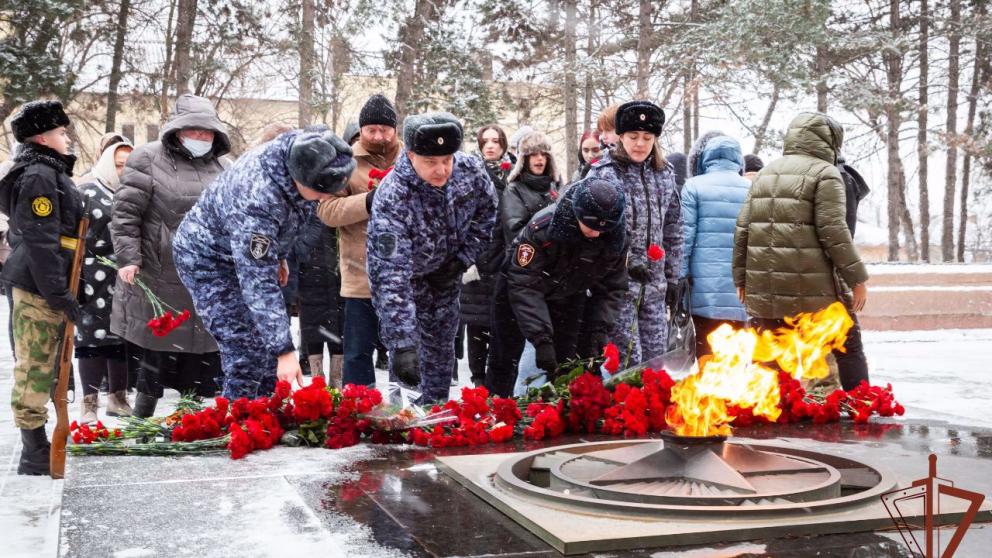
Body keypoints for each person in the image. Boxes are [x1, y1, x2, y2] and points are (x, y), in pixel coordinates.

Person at [174, 130, 355, 398]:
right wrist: (284, 350)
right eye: (321, 191)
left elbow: (291, 215)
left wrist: (279, 254)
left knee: (268, 357)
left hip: (241, 249)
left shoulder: (307, 153)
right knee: (246, 351)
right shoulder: (257, 197)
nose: (326, 198)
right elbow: (257, 283)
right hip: (207, 260)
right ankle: (238, 422)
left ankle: (266, 414)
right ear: (300, 177)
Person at [110, 94, 229, 417]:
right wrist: (129, 258)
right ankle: (143, 417)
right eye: (195, 130)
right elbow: (125, 214)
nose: (202, 137)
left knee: (200, 351)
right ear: (178, 130)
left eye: (208, 132)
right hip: (159, 273)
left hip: (206, 276)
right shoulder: (147, 158)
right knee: (157, 349)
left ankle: (190, 422)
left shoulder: (224, 167)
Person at [367, 112, 498, 403]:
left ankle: (436, 417)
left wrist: (462, 259)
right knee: (409, 365)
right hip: (408, 285)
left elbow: (487, 214)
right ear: (411, 155)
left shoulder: (470, 171)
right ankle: (404, 430)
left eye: (446, 160)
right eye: (430, 162)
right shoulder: (393, 195)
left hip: (446, 278)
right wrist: (401, 343)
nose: (441, 170)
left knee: (440, 356)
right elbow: (389, 275)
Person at [733, 112, 869, 390]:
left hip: (765, 288)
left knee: (768, 356)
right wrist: (857, 278)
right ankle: (861, 405)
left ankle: (766, 419)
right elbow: (834, 231)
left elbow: (743, 229)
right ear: (831, 141)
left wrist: (740, 279)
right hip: (814, 290)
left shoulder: (766, 172)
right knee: (848, 345)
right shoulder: (826, 174)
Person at [0, 100, 84, 475]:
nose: (67, 138)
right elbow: (40, 240)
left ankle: (37, 446)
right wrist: (58, 294)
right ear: (43, 137)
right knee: (35, 364)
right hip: (37, 284)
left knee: (44, 361)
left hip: (43, 281)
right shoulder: (38, 175)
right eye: (61, 132)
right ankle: (34, 450)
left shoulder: (47, 171)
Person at [487, 179, 629, 395]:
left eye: (604, 228)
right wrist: (541, 338)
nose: (596, 234)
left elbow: (612, 287)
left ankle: (557, 414)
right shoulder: (543, 229)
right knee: (504, 360)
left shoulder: (614, 236)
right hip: (517, 290)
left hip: (568, 294)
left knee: (567, 362)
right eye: (590, 226)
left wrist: (599, 329)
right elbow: (525, 285)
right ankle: (496, 411)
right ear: (577, 213)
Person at [586, 100, 683, 366]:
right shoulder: (603, 174)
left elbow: (673, 228)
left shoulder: (664, 174)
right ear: (620, 137)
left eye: (646, 137)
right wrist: (624, 263)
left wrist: (673, 277)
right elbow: (593, 234)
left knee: (655, 359)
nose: (640, 144)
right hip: (617, 286)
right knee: (628, 361)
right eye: (633, 137)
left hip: (654, 284)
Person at [316, 94, 403, 387]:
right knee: (357, 354)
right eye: (371, 130)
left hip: (406, 277)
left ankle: (404, 411)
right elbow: (327, 211)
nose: (378, 136)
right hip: (360, 276)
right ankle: (360, 411)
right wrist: (367, 202)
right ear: (361, 130)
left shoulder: (412, 159)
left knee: (404, 352)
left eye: (385, 129)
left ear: (395, 130)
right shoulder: (345, 163)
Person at [75, 138, 135, 423]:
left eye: (128, 165)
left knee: (119, 336)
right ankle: (89, 403)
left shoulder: (134, 193)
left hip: (125, 276)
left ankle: (118, 397)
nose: (124, 171)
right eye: (119, 165)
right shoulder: (87, 191)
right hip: (91, 276)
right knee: (90, 338)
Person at [680, 132, 751, 359]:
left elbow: (685, 238)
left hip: (703, 290)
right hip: (739, 293)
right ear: (738, 161)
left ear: (706, 158)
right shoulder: (750, 189)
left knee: (705, 355)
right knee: (734, 357)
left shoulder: (693, 186)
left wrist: (680, 278)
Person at [458, 124, 512, 386]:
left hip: (503, 260)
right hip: (477, 262)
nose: (490, 146)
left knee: (500, 325)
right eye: (485, 141)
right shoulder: (470, 174)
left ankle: (497, 381)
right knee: (477, 326)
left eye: (495, 141)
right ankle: (478, 382)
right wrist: (471, 258)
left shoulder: (511, 175)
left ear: (503, 144)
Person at [833, 154, 871, 390]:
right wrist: (856, 279)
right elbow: (840, 235)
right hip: (830, 276)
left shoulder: (834, 177)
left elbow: (838, 234)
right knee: (848, 345)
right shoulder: (842, 177)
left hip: (780, 277)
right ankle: (859, 399)